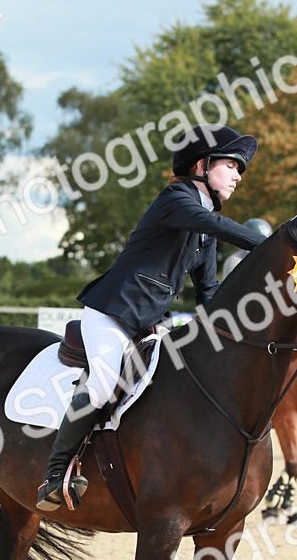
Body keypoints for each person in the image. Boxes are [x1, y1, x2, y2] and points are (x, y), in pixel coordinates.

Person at [35, 123, 265, 512]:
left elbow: (207, 292)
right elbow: (218, 225)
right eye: (231, 165)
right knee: (103, 385)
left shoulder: (204, 230)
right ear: (201, 166)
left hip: (151, 322)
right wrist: (273, 244)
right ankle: (55, 474)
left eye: (240, 169)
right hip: (112, 314)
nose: (239, 176)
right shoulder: (176, 199)